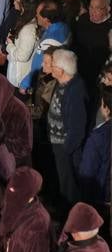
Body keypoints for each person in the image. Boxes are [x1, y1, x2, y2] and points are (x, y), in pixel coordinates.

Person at [48, 49, 89, 209]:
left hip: (65, 149)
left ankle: (70, 216)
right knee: (62, 181)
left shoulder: (75, 93)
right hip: (58, 145)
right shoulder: (63, 83)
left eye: (53, 65)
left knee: (69, 186)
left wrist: (65, 150)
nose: (51, 67)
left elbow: (77, 130)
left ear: (61, 70)